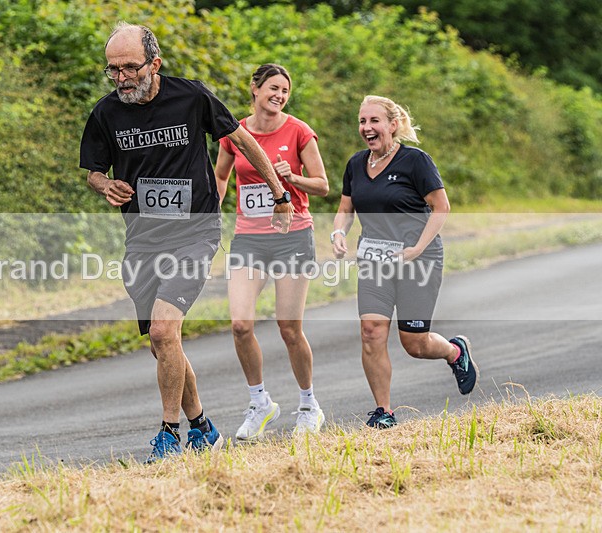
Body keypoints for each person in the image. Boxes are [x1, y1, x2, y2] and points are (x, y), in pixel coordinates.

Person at [79, 23, 293, 462]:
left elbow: (243, 140)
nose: (121, 78)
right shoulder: (106, 113)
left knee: (163, 328)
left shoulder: (192, 96)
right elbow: (93, 170)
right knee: (163, 342)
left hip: (194, 233)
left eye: (130, 68)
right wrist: (104, 186)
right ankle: (202, 427)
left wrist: (279, 194)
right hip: (141, 240)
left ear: (154, 64)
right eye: (113, 70)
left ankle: (167, 433)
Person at [330, 95, 478, 429]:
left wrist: (416, 249)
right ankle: (384, 411)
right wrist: (338, 233)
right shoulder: (356, 164)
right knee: (371, 331)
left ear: (393, 125)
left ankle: (454, 352)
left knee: (414, 343)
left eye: (374, 121)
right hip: (375, 259)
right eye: (362, 121)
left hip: (418, 259)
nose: (367, 128)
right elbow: (345, 209)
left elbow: (441, 207)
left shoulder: (415, 161)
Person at [214, 64, 329, 440]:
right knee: (240, 324)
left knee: (289, 328)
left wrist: (292, 178)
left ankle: (309, 405)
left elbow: (323, 186)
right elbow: (220, 175)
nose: (279, 95)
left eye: (285, 91)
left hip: (292, 235)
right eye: (273, 88)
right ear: (255, 88)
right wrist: (211, 215)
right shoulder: (235, 132)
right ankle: (259, 402)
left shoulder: (298, 131)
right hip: (249, 237)